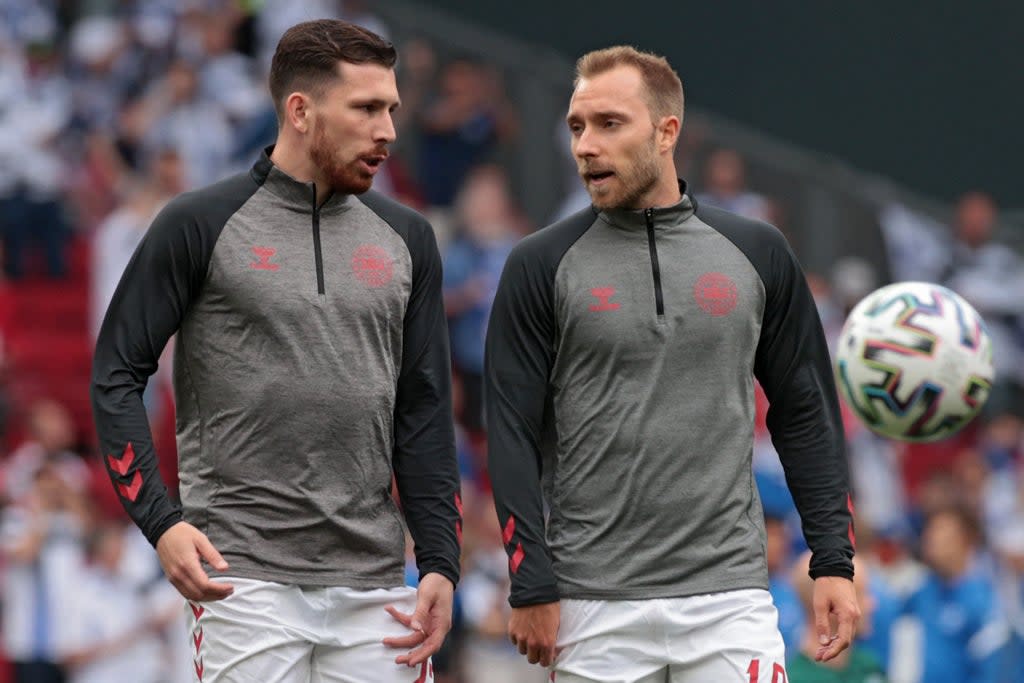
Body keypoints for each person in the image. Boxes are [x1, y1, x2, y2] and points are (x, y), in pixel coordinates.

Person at [90, 19, 461, 682]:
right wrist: (162, 521)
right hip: (242, 581)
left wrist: (439, 558)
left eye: (392, 110)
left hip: (377, 586)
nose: (388, 131)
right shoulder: (197, 223)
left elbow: (425, 407)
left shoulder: (410, 237)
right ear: (300, 110)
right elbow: (115, 374)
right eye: (367, 109)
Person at [484, 45, 859, 681]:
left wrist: (834, 561)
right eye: (577, 127)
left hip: (728, 602)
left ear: (667, 132)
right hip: (590, 604)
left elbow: (806, 416)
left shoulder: (758, 252)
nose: (585, 146)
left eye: (609, 124)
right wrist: (531, 581)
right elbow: (510, 432)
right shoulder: (539, 264)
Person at [787, 551, 886, 683]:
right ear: (831, 605)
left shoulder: (870, 666)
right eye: (862, 594)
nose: (872, 605)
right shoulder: (793, 678)